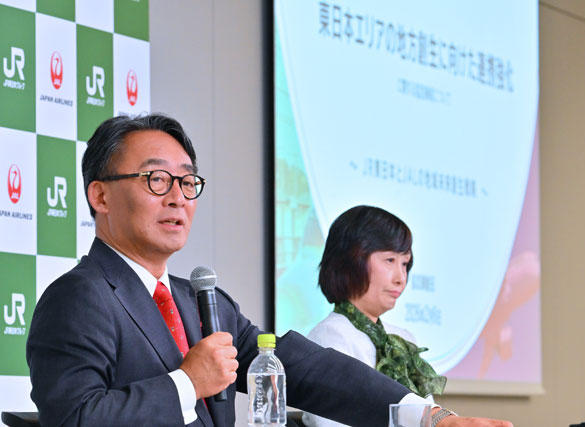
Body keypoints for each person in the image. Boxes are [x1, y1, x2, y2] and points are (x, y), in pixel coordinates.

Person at [25, 114, 443, 427]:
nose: (178, 197)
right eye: (156, 179)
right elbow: (74, 417)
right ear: (100, 196)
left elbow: (304, 369)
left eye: (187, 182)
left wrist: (429, 417)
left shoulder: (201, 301)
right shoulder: (79, 297)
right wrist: (188, 383)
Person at [302, 205, 513, 427]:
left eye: (405, 264)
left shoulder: (402, 339)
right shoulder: (328, 337)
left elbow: (426, 420)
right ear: (351, 259)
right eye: (390, 261)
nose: (401, 278)